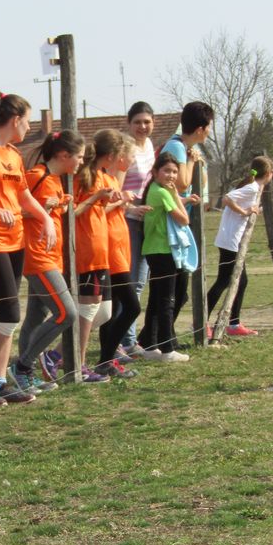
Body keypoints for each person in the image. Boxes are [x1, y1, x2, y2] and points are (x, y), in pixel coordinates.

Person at [0, 91, 55, 404]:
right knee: (9, 314)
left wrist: (45, 218)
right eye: (27, 121)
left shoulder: (14, 155)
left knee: (5, 315)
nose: (29, 127)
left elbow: (23, 196)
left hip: (16, 239)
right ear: (15, 119)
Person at [8, 130, 83, 392]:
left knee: (36, 315)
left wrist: (59, 203)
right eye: (79, 157)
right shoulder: (35, 176)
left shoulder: (54, 179)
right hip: (37, 256)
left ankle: (24, 376)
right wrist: (45, 208)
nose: (81, 162)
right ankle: (22, 365)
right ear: (64, 155)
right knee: (66, 313)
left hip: (51, 256)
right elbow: (14, 209)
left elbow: (47, 209)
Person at [138, 151, 201, 362]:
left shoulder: (157, 190)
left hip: (156, 250)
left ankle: (149, 346)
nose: (172, 175)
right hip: (163, 250)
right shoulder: (162, 193)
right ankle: (167, 349)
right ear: (155, 172)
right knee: (167, 300)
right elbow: (184, 219)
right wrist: (176, 196)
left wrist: (178, 196)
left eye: (175, 171)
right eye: (167, 171)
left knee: (156, 299)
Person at [158, 101, 214, 330]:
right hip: (171, 223)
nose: (209, 132)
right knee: (173, 291)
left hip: (182, 223)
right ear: (200, 129)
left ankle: (161, 336)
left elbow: (201, 181)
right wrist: (192, 161)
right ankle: (157, 337)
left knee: (180, 290)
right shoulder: (177, 147)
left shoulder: (189, 149)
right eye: (209, 127)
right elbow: (182, 183)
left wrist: (196, 161)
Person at [205, 156, 273, 336]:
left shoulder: (255, 188)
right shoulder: (251, 188)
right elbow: (227, 199)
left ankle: (234, 324)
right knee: (223, 281)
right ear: (268, 173)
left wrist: (253, 210)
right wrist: (244, 211)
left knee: (241, 281)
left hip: (233, 241)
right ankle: (202, 322)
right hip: (230, 241)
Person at [73, 130, 121, 382]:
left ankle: (61, 354)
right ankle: (76, 363)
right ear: (111, 155)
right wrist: (96, 197)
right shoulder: (83, 175)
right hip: (88, 249)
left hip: (101, 250)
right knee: (88, 309)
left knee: (103, 313)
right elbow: (73, 211)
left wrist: (115, 201)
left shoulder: (102, 175)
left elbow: (98, 208)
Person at [96, 135, 140, 378]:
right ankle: (105, 358)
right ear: (119, 156)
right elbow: (97, 210)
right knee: (132, 307)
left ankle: (106, 360)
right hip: (110, 249)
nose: (133, 160)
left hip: (120, 247)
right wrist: (121, 200)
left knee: (111, 310)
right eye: (131, 155)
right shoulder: (101, 178)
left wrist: (125, 203)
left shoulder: (113, 179)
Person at [120, 101, 156, 357]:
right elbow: (115, 187)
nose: (142, 127)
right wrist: (131, 209)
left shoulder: (150, 146)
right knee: (132, 282)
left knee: (141, 281)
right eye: (137, 122)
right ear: (129, 123)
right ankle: (126, 341)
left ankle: (128, 339)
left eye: (147, 122)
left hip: (148, 221)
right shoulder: (126, 149)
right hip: (128, 220)